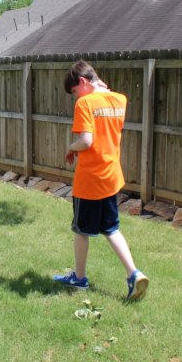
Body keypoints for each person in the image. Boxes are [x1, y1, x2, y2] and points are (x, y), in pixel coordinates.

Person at [53, 60, 149, 300]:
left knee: (81, 230)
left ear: (82, 82)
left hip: (90, 180)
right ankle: (134, 273)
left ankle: (79, 278)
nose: (76, 97)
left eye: (75, 91)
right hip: (111, 177)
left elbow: (87, 141)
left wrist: (71, 147)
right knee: (111, 228)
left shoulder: (85, 103)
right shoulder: (119, 99)